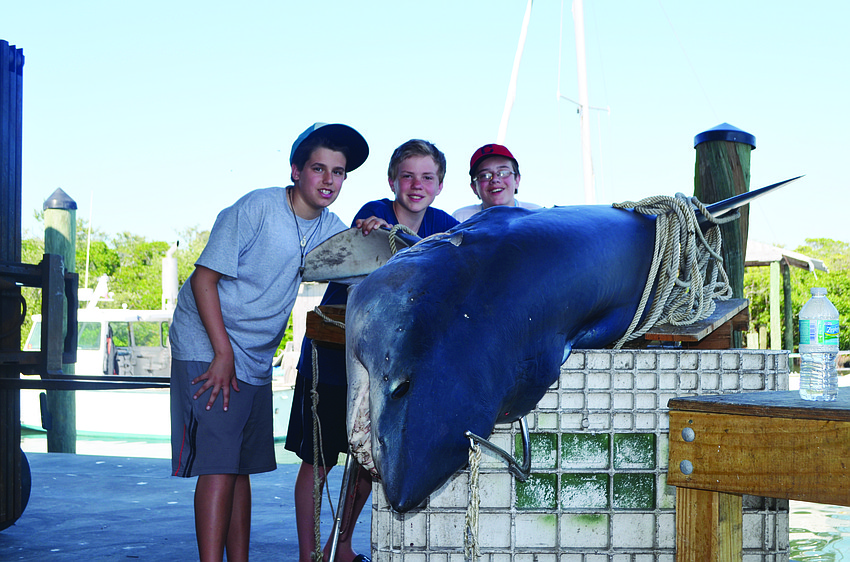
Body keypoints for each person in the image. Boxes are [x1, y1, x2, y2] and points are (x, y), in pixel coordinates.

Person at [169, 122, 370, 562]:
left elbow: (372, 267)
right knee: (219, 465)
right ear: (296, 169)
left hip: (256, 355)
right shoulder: (256, 209)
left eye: (338, 172)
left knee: (241, 467)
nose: (328, 180)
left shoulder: (330, 229)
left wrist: (371, 232)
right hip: (208, 340)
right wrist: (222, 353)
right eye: (318, 168)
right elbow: (204, 280)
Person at [286, 139, 458, 562]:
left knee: (367, 459)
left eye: (427, 177)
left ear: (439, 185)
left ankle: (339, 547)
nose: (416, 185)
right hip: (331, 355)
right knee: (319, 461)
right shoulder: (374, 216)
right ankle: (309, 556)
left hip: (385, 365)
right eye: (407, 176)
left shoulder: (448, 227)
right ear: (391, 180)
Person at [452, 143, 541, 222]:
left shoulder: (537, 215)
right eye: (485, 175)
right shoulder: (461, 219)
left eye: (503, 173)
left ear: (517, 180)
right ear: (474, 187)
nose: (495, 179)